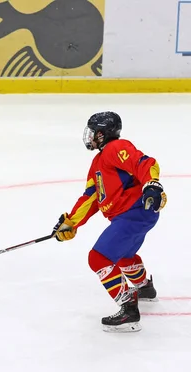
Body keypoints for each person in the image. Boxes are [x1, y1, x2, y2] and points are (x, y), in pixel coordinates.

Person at [52, 111, 166, 332]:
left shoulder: (116, 148)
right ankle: (144, 288)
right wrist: (71, 222)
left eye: (93, 132)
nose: (90, 136)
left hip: (134, 212)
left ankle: (129, 308)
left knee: (98, 258)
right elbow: (91, 197)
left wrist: (152, 183)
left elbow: (143, 162)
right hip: (133, 215)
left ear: (102, 134)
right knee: (124, 257)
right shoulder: (98, 162)